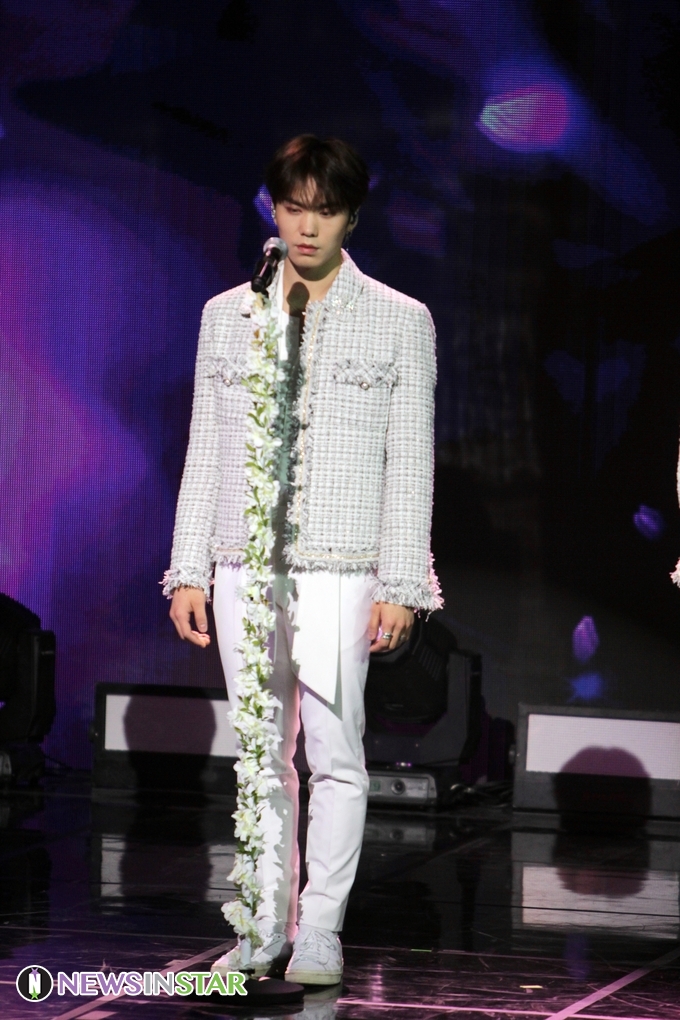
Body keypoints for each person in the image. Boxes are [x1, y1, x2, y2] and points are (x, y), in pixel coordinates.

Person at [163, 134, 441, 984]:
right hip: (242, 562)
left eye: (325, 210)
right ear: (274, 209)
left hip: (341, 566)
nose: (307, 227)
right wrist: (189, 568)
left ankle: (319, 930)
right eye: (293, 208)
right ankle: (260, 926)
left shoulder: (400, 319)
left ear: (352, 216)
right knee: (258, 752)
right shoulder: (227, 314)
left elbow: (410, 463)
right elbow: (205, 447)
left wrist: (402, 582)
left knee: (335, 753)